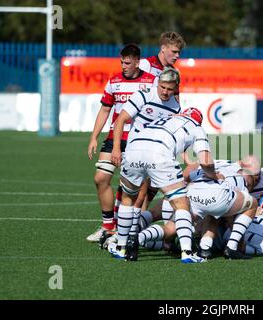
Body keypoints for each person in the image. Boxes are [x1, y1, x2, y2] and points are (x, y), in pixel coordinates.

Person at [110, 107, 221, 263]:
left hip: (132, 150)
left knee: (127, 199)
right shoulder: (196, 127)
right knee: (181, 204)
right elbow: (205, 161)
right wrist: (214, 175)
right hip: (158, 154)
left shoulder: (164, 119)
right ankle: (187, 253)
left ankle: (121, 248)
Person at [86, 43, 157, 242]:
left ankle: (124, 230)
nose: (123, 66)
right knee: (100, 178)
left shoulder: (151, 82)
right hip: (114, 138)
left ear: (137, 62)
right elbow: (105, 110)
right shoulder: (114, 81)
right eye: (121, 62)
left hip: (138, 141)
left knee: (130, 187)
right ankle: (108, 226)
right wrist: (94, 136)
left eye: (127, 63)